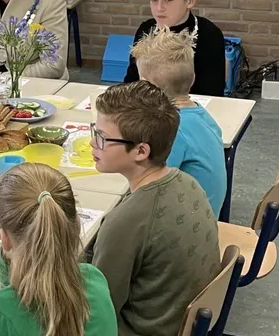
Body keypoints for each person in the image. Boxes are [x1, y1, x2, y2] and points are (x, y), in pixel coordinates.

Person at [89, 81, 220, 336]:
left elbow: (98, 310)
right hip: (178, 318)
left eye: (102, 137)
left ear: (140, 151)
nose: (92, 142)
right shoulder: (187, 181)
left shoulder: (125, 223)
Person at [0, 162, 117, 336]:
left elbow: (16, 303)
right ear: (76, 226)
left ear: (5, 240)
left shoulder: (0, 310)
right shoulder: (95, 282)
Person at [131, 29, 226, 216]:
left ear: (145, 86)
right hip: (205, 217)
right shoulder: (199, 113)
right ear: (192, 79)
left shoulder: (172, 129)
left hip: (188, 229)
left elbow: (148, 184)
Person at [124, 0, 225, 96]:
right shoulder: (146, 29)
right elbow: (131, 82)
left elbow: (212, 92)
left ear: (190, 1)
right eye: (154, 0)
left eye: (168, 0)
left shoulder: (209, 34)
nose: (159, 8)